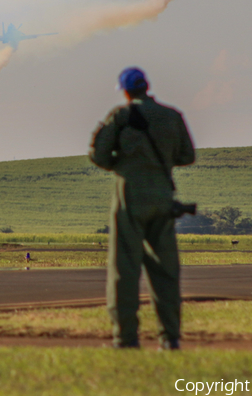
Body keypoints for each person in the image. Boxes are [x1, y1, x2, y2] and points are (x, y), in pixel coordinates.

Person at [89, 67, 196, 349]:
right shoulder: (172, 116)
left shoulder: (121, 116)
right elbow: (187, 155)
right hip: (163, 198)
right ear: (147, 86)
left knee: (124, 270)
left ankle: (125, 338)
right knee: (166, 272)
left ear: (125, 91)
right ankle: (170, 338)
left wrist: (124, 166)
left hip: (129, 198)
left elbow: (98, 154)